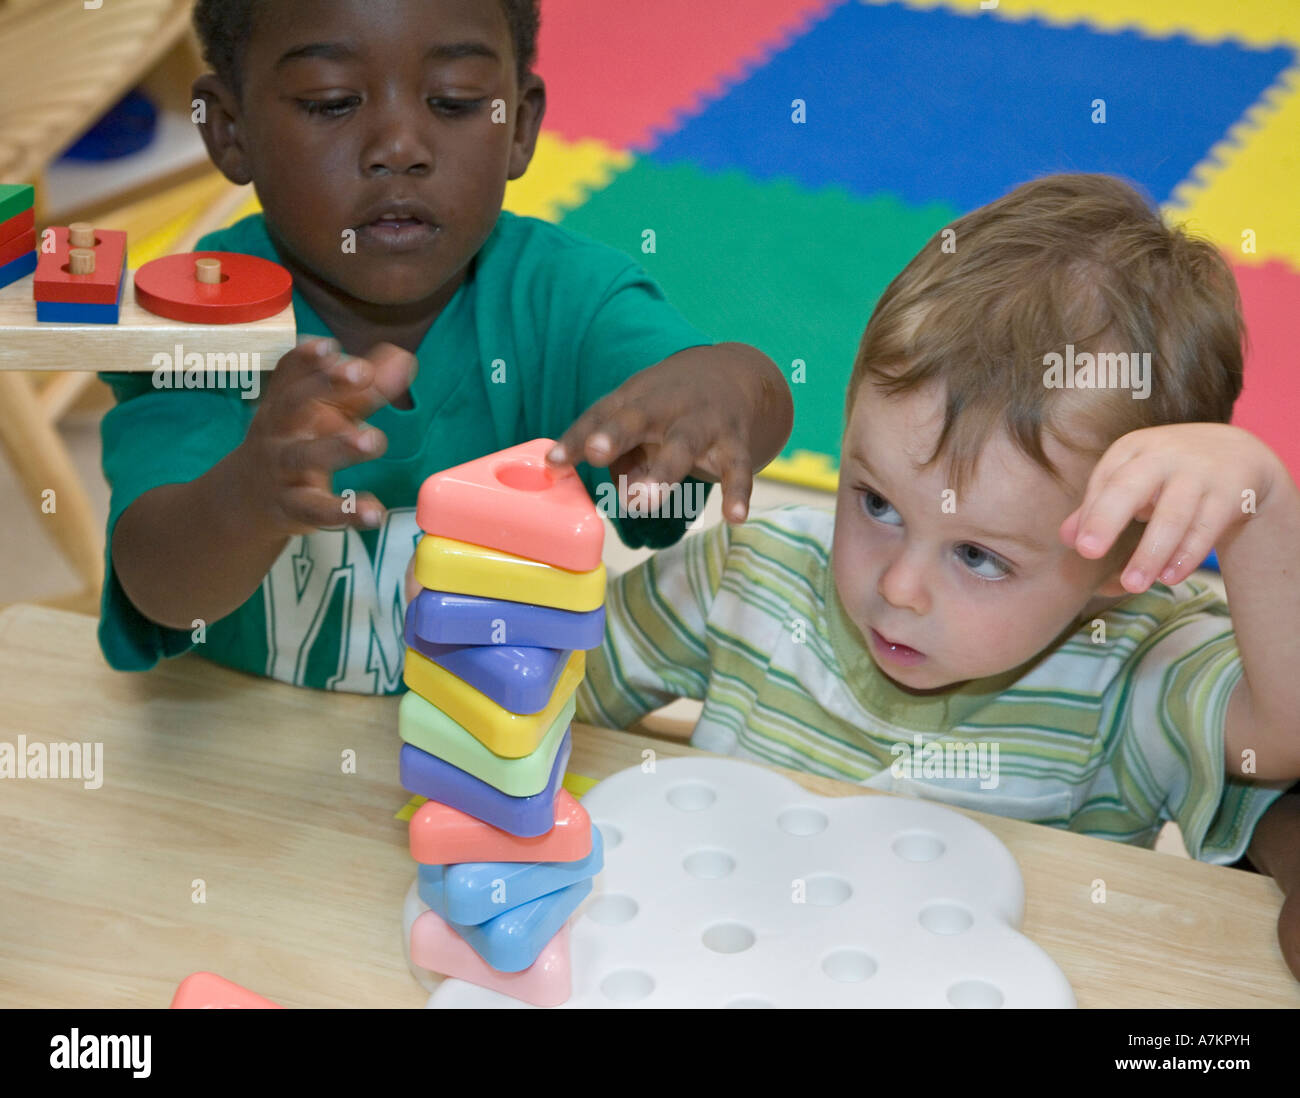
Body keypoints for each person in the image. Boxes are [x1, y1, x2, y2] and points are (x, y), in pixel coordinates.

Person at [576, 173, 1300, 977]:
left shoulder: (1130, 672)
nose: (899, 589)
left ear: (1127, 559)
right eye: (877, 503)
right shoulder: (749, 576)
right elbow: (549, 689)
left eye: (979, 556)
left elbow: (1286, 734)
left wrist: (1258, 506)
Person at [99, 0, 792, 693]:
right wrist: (247, 499)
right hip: (244, 765)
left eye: (455, 102)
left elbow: (731, 407)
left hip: (495, 767)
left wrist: (731, 384)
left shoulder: (568, 300)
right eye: (331, 102)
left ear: (518, 126)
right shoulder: (200, 318)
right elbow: (159, 588)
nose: (399, 146)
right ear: (229, 129)